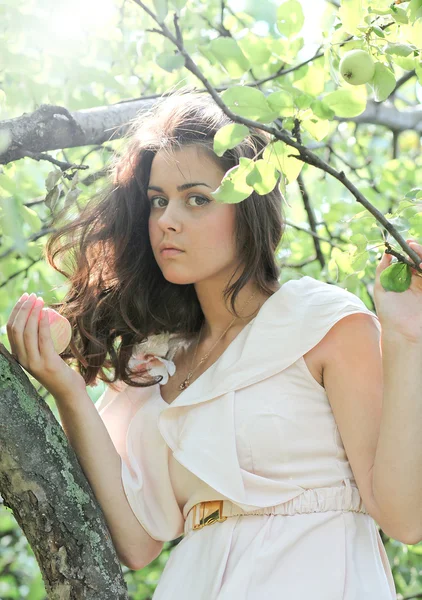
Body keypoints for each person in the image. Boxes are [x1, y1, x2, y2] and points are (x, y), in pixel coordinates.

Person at [8, 86, 398, 598]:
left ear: (250, 207)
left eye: (197, 199)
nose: (167, 220)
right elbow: (138, 540)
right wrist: (65, 388)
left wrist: (409, 336)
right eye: (157, 201)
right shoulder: (155, 361)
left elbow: (404, 517)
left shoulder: (323, 322)